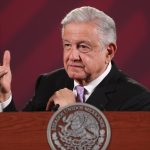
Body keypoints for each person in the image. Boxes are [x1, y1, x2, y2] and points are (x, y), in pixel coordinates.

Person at [0, 6, 150, 112]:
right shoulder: (49, 82)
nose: (72, 56)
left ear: (109, 52)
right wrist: (5, 97)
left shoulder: (137, 99)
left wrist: (72, 112)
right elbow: (20, 136)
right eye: (67, 45)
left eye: (83, 47)